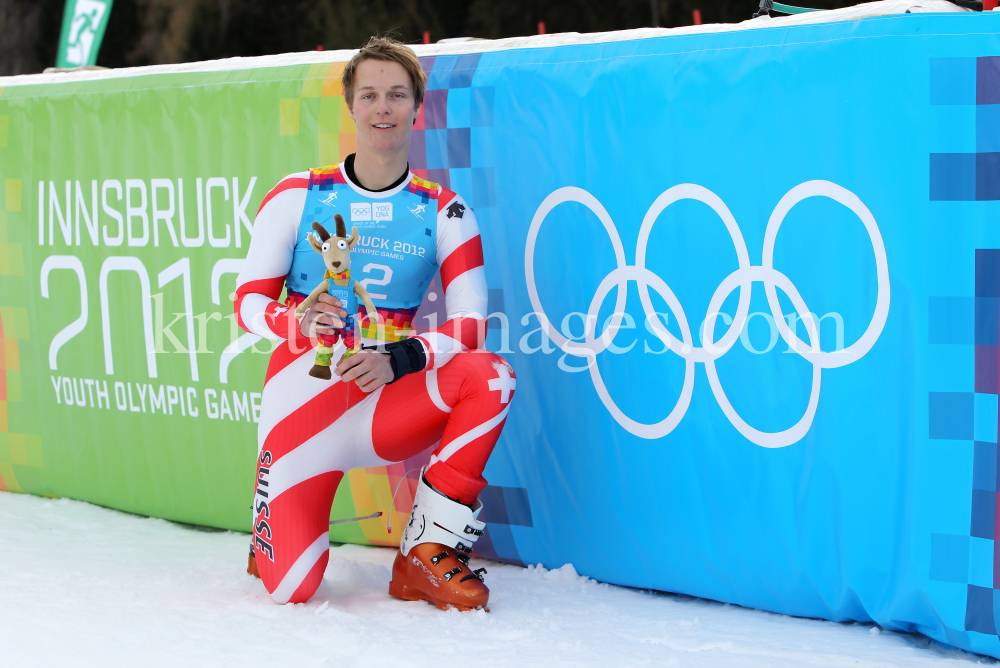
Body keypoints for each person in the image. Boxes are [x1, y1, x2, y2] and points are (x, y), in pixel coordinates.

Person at [234, 35, 515, 612]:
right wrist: (295, 318)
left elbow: (469, 325)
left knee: (491, 377)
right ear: (351, 105)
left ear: (416, 105)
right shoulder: (298, 194)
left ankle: (425, 553)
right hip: (304, 406)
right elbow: (245, 304)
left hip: (387, 401)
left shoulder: (446, 209)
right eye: (369, 95)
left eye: (395, 95)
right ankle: (275, 522)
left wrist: (400, 357)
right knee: (293, 590)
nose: (382, 108)